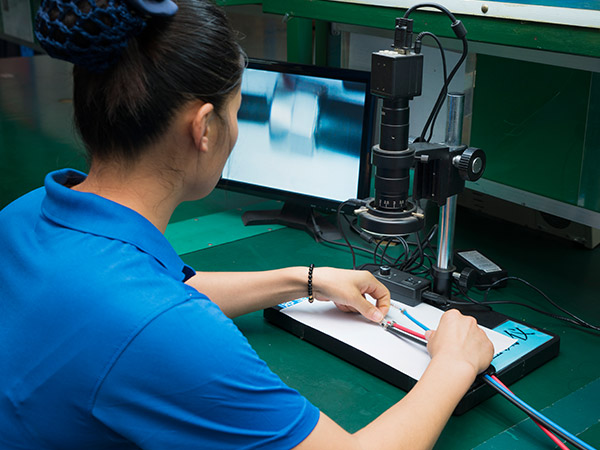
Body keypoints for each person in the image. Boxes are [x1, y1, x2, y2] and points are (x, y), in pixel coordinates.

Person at [0, 0, 494, 448]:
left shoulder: (22, 216)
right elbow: (151, 319)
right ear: (204, 128)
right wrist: (453, 363)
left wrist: (304, 280)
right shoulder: (165, 330)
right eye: (237, 113)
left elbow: (142, 298)